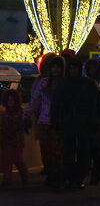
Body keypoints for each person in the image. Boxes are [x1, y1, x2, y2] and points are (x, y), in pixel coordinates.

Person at [51, 57, 100, 190]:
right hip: (69, 124)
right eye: (71, 68)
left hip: (82, 124)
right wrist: (56, 121)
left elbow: (95, 105)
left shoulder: (86, 85)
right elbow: (56, 105)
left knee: (82, 152)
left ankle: (77, 178)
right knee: (69, 152)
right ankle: (71, 177)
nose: (72, 71)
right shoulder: (66, 84)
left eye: (75, 68)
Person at [25, 55, 64, 189]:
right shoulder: (44, 83)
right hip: (45, 121)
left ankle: (57, 175)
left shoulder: (65, 84)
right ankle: (52, 173)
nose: (55, 69)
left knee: (58, 151)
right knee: (46, 151)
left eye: (58, 67)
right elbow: (35, 101)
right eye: (53, 66)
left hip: (59, 123)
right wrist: (26, 115)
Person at [83, 58, 100, 184]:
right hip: (91, 120)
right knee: (91, 150)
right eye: (89, 68)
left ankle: (96, 175)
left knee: (97, 151)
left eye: (93, 68)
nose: (91, 71)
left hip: (97, 121)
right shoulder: (88, 83)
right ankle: (92, 174)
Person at [0, 88, 28, 187]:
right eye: (8, 100)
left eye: (12, 100)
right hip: (7, 140)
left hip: (17, 141)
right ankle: (7, 179)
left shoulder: (20, 113)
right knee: (7, 159)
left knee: (18, 159)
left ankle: (24, 174)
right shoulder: (5, 114)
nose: (10, 102)